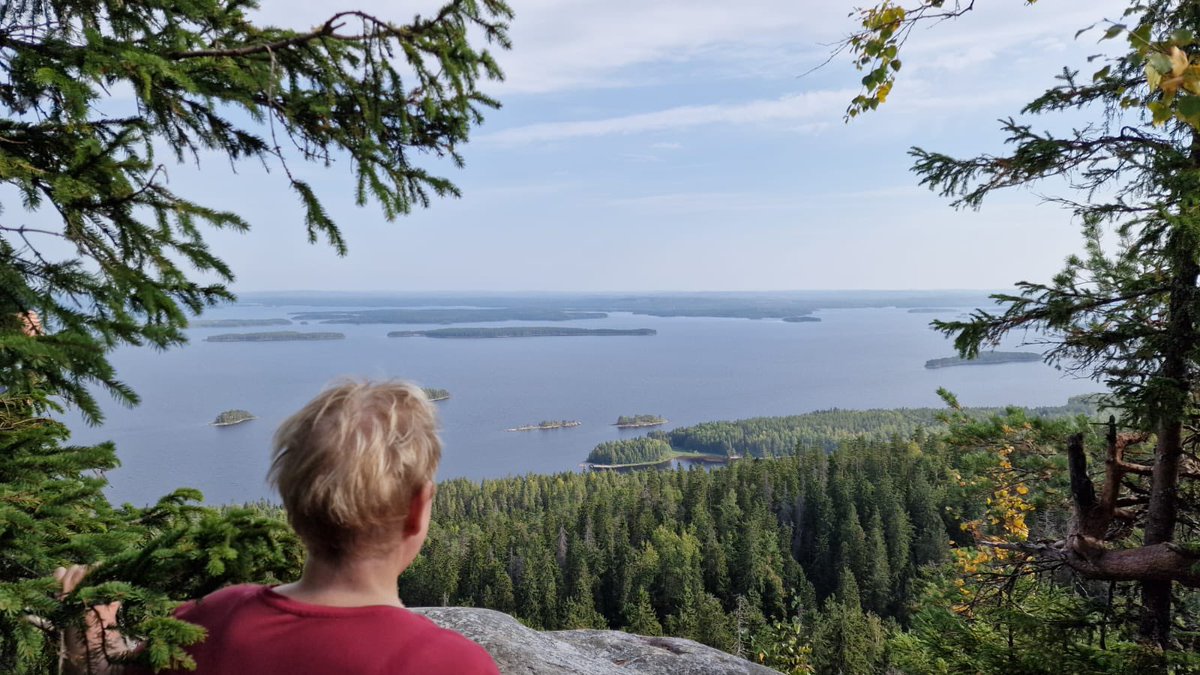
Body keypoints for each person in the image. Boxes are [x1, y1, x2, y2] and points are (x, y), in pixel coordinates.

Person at [59, 380, 499, 674]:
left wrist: (94, 636)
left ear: (291, 508)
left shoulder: (217, 618)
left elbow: (114, 668)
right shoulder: (452, 662)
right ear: (418, 511)